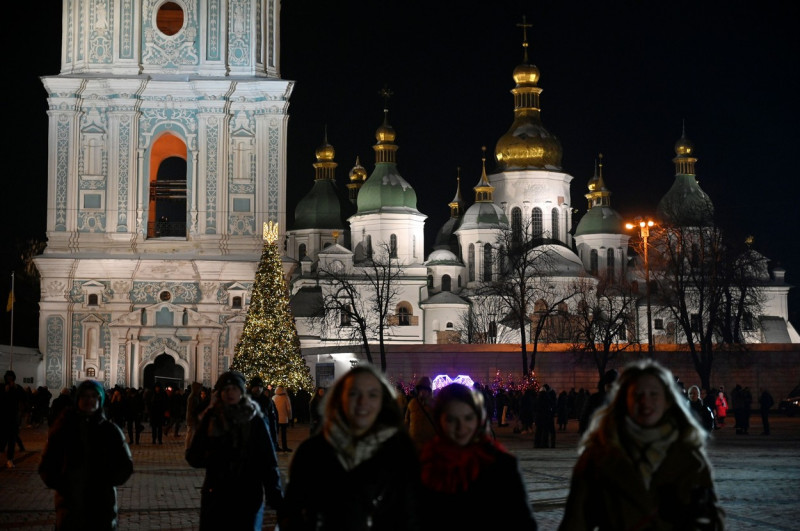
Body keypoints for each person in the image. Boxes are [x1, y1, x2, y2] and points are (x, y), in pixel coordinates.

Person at [559, 359, 725, 530]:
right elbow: (575, 523)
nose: (646, 402)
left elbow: (712, 522)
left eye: (654, 394)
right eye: (638, 394)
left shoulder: (689, 458)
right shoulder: (598, 458)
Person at [279, 364, 421, 531]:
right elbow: (291, 513)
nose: (363, 402)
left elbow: (411, 514)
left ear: (383, 401)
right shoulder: (313, 452)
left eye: (372, 395)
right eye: (354, 393)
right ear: (340, 398)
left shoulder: (400, 451)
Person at [419, 383, 537, 530]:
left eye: (468, 418)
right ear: (439, 420)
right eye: (451, 419)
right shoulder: (424, 463)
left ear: (478, 418)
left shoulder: (502, 464)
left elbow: (523, 523)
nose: (461, 427)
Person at [186, 371, 284, 530]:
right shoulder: (211, 420)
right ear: (219, 393)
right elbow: (193, 457)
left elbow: (267, 461)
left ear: (241, 391)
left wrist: (275, 496)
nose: (230, 393)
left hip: (247, 494)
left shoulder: (254, 420)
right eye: (226, 389)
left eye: (234, 388)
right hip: (216, 494)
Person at [38, 379, 134, 530]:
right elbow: (47, 464)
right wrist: (64, 484)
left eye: (94, 396)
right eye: (85, 396)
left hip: (102, 505)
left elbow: (125, 465)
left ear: (100, 400)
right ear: (78, 399)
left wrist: (106, 481)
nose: (89, 400)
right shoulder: (64, 428)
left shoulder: (110, 431)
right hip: (70, 505)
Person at [1, 370, 27, 468]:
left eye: (11, 377)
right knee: (2, 438)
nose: (10, 379)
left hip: (13, 417)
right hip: (3, 418)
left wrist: (17, 390)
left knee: (12, 439)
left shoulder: (17, 388)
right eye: (8, 377)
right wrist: (5, 391)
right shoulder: (2, 387)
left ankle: (10, 459)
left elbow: (24, 398)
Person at [578, 369, 618, 435]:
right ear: (604, 385)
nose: (612, 388)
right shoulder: (594, 399)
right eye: (609, 385)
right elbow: (585, 419)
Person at [404, 376, 437, 453]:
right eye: (421, 389)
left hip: (430, 445)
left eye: (425, 390)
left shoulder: (434, 404)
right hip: (414, 444)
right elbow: (407, 421)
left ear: (429, 391)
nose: (422, 392)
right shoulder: (412, 403)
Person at [248, 377, 280, 451]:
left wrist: (274, 441)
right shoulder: (246, 400)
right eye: (256, 386)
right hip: (249, 438)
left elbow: (272, 421)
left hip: (264, 436)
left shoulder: (267, 401)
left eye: (260, 387)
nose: (258, 389)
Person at [272, 385, 293, 452]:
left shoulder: (274, 397)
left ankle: (276, 446)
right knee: (283, 434)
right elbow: (289, 409)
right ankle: (285, 447)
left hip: (275, 418)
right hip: (284, 418)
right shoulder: (286, 398)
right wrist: (290, 417)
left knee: (276, 433)